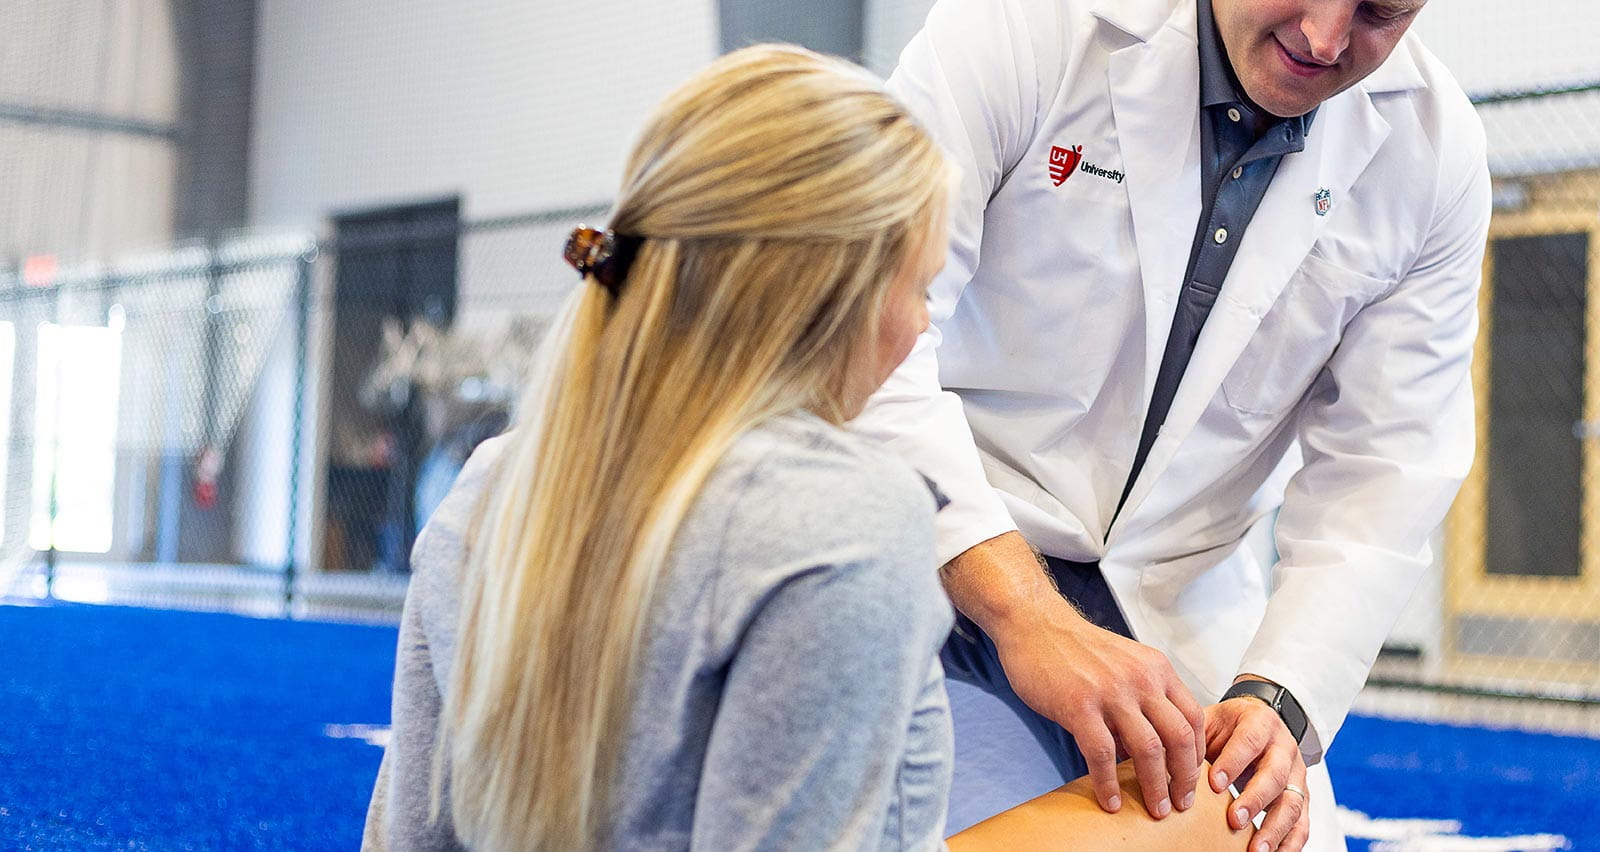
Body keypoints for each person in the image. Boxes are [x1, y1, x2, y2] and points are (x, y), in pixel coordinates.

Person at [853, 1, 1491, 850]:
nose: (1325, 38)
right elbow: (861, 335)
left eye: (1381, 10)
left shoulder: (1434, 154)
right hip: (937, 526)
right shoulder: (1026, 25)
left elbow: (1385, 467)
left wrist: (1277, 694)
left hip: (1170, 597)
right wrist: (1022, 612)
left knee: (1248, 829)